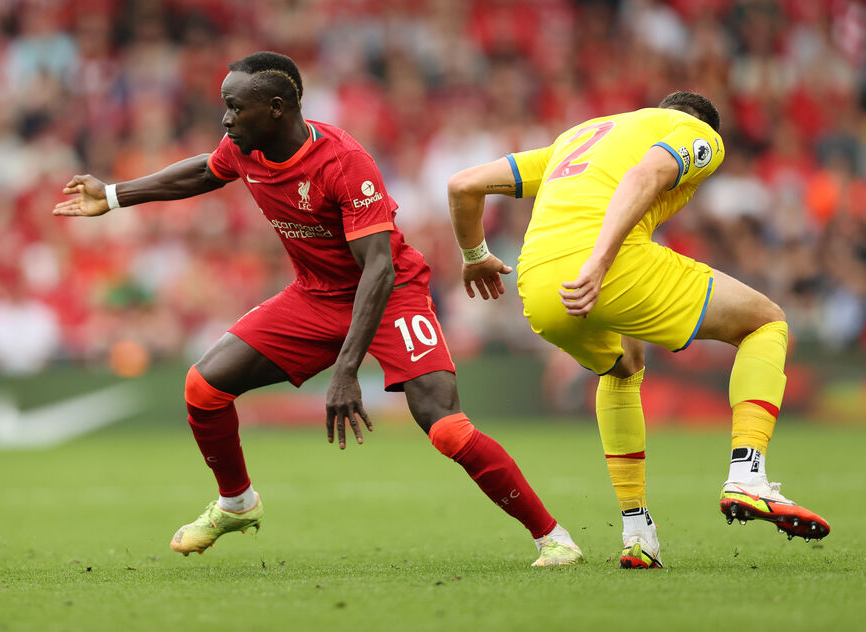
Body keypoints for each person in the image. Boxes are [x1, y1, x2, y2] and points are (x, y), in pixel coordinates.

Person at [53, 51, 582, 567]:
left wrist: (346, 370)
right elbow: (203, 173)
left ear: (276, 108)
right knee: (203, 388)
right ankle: (236, 503)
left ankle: (552, 537)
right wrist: (114, 195)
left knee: (446, 427)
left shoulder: (344, 162)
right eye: (225, 107)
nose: (226, 120)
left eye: (235, 108)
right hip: (316, 295)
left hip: (391, 295)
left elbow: (379, 268)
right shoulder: (244, 147)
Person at [446, 91, 830, 569]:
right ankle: (748, 476)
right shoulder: (695, 131)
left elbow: (463, 185)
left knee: (624, 367)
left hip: (540, 288)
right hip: (603, 266)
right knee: (766, 322)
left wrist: (475, 256)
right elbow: (645, 176)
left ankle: (638, 534)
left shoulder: (576, 138)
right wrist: (599, 261)